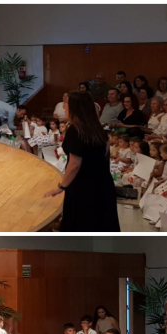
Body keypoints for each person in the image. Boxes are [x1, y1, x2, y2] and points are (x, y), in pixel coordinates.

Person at [43, 91, 120, 232]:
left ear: (74, 107)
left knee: (81, 225)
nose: (64, 107)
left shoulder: (75, 130)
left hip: (84, 187)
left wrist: (61, 187)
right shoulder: (99, 129)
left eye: (67, 104)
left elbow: (75, 163)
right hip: (103, 184)